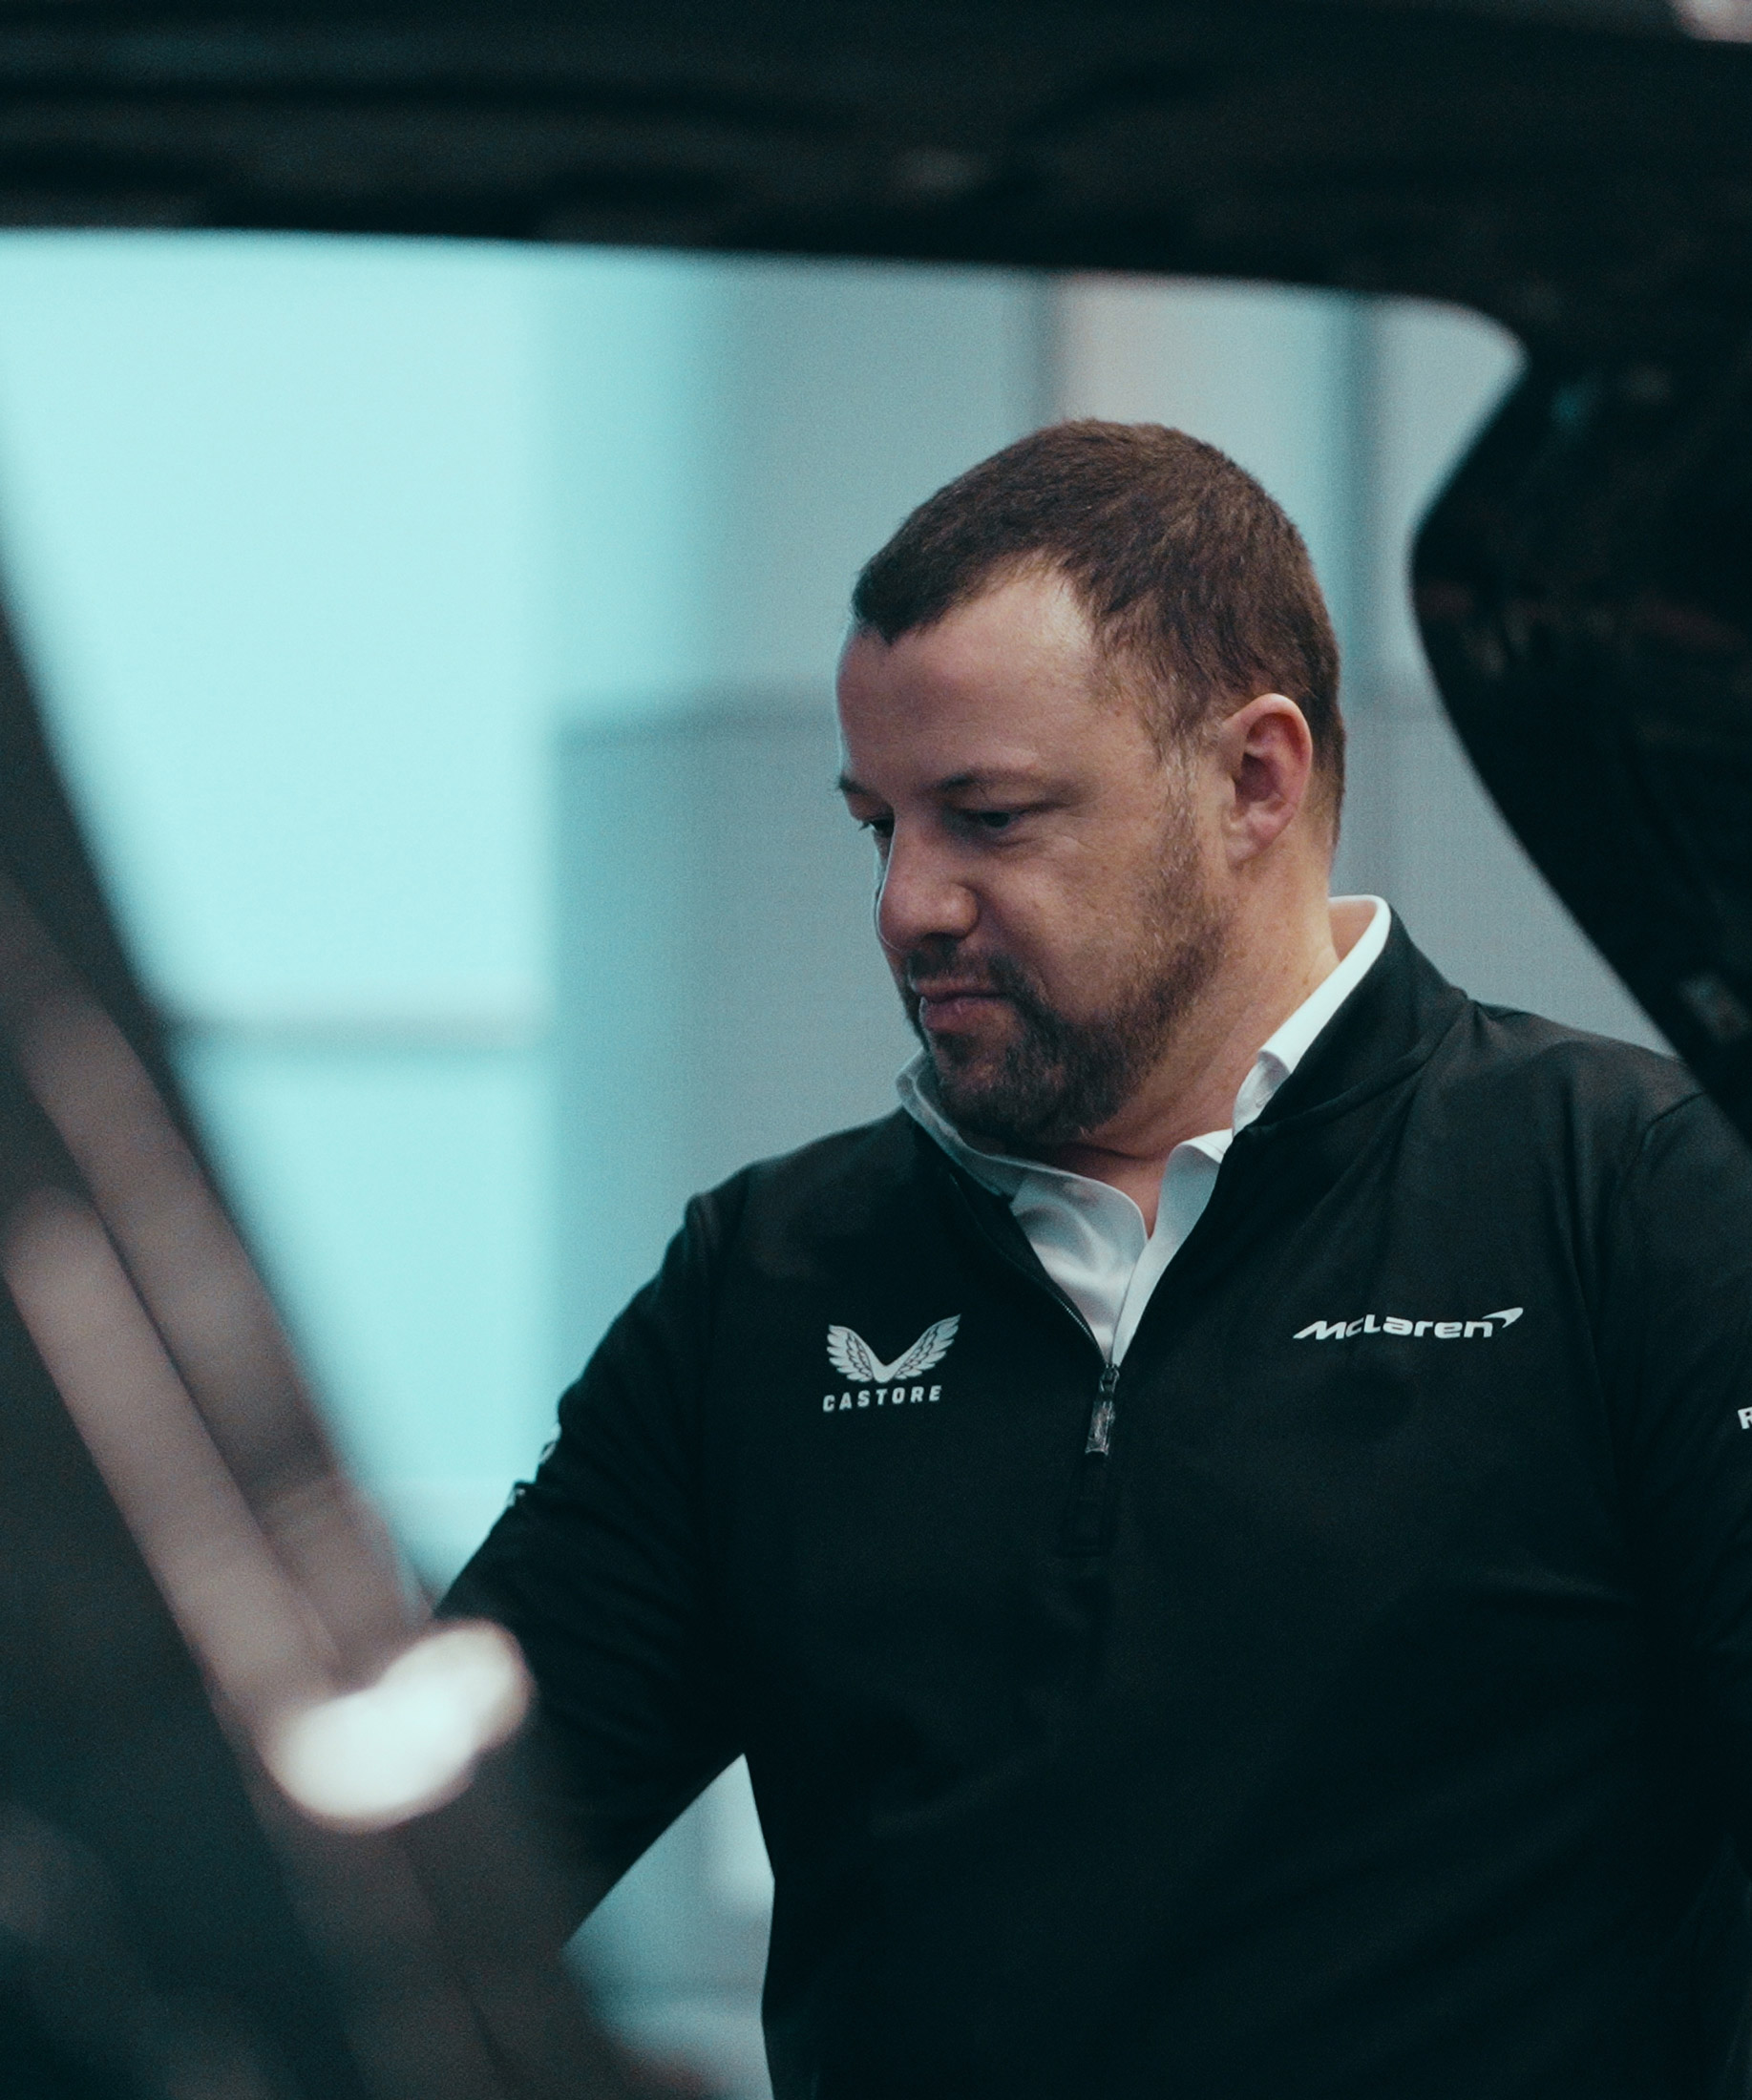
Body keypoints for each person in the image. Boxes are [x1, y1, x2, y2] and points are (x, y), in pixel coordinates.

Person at [444, 421, 1752, 2098]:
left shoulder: (1630, 1198)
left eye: (988, 818)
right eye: (879, 828)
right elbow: (439, 1854)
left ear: (1252, 780)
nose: (910, 904)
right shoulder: (767, 1285)